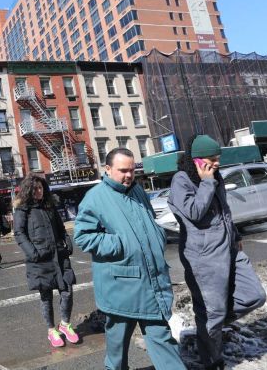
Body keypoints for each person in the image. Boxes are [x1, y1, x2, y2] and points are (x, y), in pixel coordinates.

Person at [74, 148, 186, 370]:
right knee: (117, 350)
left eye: (132, 170)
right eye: (123, 170)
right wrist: (122, 244)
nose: (128, 175)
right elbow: (83, 237)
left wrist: (158, 237)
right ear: (107, 169)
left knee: (162, 338)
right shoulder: (95, 198)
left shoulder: (138, 191)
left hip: (150, 282)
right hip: (121, 288)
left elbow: (150, 223)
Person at [168, 135, 266, 370]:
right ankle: (212, 359)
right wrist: (207, 182)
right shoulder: (181, 180)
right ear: (197, 161)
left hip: (229, 248)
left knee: (255, 295)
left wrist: (236, 236)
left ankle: (211, 324)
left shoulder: (215, 176)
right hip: (204, 257)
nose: (217, 164)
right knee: (212, 314)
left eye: (218, 159)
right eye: (212, 160)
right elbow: (194, 212)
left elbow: (224, 212)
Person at [14, 173, 79, 348]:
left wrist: (67, 241)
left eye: (41, 188)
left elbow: (61, 227)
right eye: (35, 189)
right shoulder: (22, 210)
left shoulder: (50, 206)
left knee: (67, 290)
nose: (39, 191)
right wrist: (32, 253)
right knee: (46, 296)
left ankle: (65, 324)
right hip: (40, 259)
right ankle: (51, 330)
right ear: (28, 191)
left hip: (59, 255)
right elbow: (19, 233)